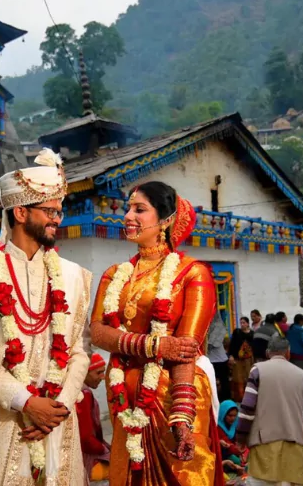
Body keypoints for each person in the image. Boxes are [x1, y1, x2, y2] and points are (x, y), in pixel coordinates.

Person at [0, 148, 92, 486]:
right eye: (49, 211)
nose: (57, 219)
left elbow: (79, 350)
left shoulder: (75, 277)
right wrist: (27, 402)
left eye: (59, 211)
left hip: (57, 421)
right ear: (20, 212)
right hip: (7, 422)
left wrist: (55, 409)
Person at [89, 181, 223, 486]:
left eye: (139, 209)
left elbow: (185, 351)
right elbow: (97, 331)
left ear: (165, 219)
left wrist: (182, 419)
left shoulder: (191, 273)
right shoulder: (114, 274)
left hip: (173, 398)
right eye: (127, 208)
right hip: (124, 397)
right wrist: (152, 345)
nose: (127, 216)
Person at [236, 336, 303, 486]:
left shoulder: (258, 370)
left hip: (264, 443)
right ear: (288, 353)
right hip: (293, 442)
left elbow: (247, 409)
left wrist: (241, 438)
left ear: (268, 353)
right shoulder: (300, 374)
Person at [76, 354, 111, 484]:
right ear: (84, 373)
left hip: (85, 452)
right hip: (85, 459)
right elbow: (85, 439)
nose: (102, 377)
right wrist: (105, 451)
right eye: (98, 373)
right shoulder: (82, 395)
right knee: (123, 469)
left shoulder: (78, 390)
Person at [217, 400, 248, 479]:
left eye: (235, 416)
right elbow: (228, 445)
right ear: (223, 415)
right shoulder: (218, 427)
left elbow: (238, 440)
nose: (233, 418)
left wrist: (242, 452)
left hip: (234, 451)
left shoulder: (235, 424)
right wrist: (239, 451)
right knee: (238, 462)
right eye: (230, 416)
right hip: (222, 455)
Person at [228, 316, 255, 401]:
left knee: (248, 376)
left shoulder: (252, 334)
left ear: (247, 323)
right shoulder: (237, 332)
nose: (242, 324)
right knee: (238, 377)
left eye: (244, 323)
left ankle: (249, 397)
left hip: (248, 360)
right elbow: (232, 345)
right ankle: (239, 397)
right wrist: (231, 355)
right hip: (238, 359)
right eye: (241, 323)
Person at [207, 312, 231, 403]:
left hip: (218, 360)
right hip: (213, 359)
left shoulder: (218, 326)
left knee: (223, 383)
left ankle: (224, 401)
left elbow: (213, 343)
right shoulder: (213, 326)